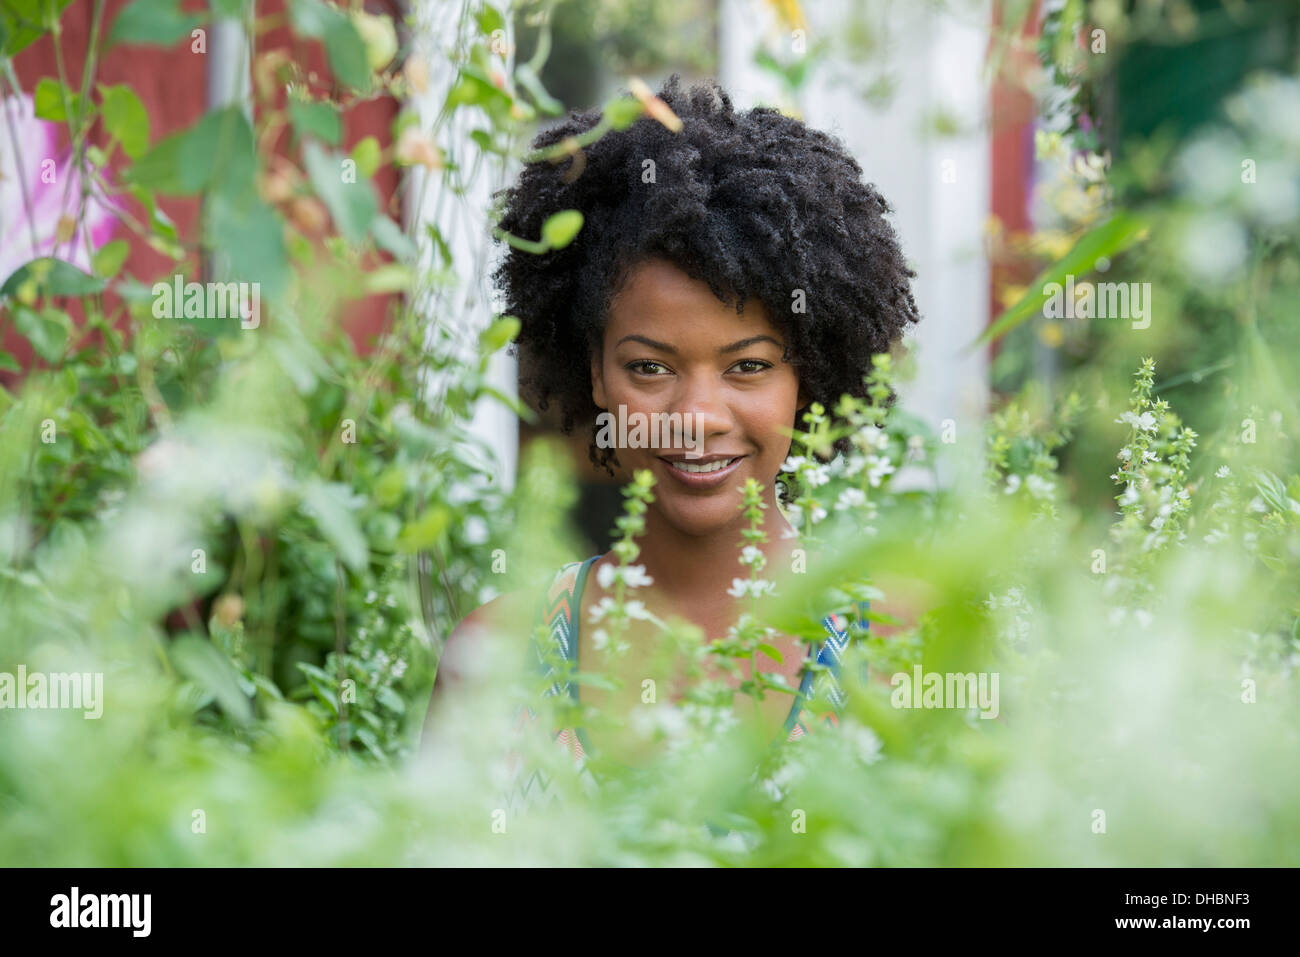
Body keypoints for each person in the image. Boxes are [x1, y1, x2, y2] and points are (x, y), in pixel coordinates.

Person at [427, 75, 920, 794]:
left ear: (806, 377)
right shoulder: (492, 659)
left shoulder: (904, 653)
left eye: (747, 366)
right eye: (650, 367)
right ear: (594, 373)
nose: (696, 414)